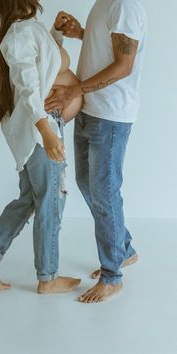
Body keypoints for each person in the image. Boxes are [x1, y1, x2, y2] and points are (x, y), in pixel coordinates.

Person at [0, 0, 82, 294]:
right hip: (38, 132)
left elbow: (46, 69)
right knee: (51, 198)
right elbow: (29, 87)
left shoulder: (28, 30)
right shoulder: (19, 34)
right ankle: (48, 277)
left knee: (31, 198)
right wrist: (46, 132)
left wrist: (56, 34)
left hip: (41, 129)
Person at [45, 0, 147, 303]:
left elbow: (124, 64)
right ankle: (123, 249)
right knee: (88, 184)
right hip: (92, 109)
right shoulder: (106, 2)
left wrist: (75, 90)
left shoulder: (126, 5)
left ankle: (113, 276)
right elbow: (110, 46)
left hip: (111, 116)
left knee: (104, 192)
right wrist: (81, 33)